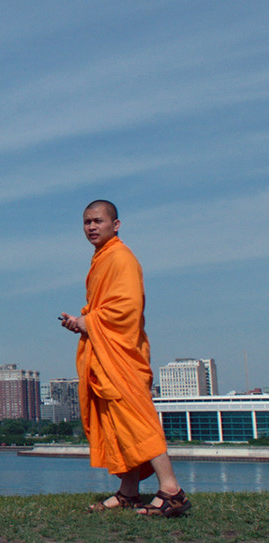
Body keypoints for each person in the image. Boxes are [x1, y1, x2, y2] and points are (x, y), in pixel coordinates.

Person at [60, 200, 191, 517]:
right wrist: (82, 322)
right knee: (119, 425)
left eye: (98, 221)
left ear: (115, 225)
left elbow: (127, 308)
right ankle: (129, 492)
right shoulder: (102, 258)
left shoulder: (121, 257)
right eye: (87, 222)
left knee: (137, 420)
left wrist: (87, 322)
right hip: (107, 352)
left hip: (123, 353)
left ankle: (172, 491)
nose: (92, 227)